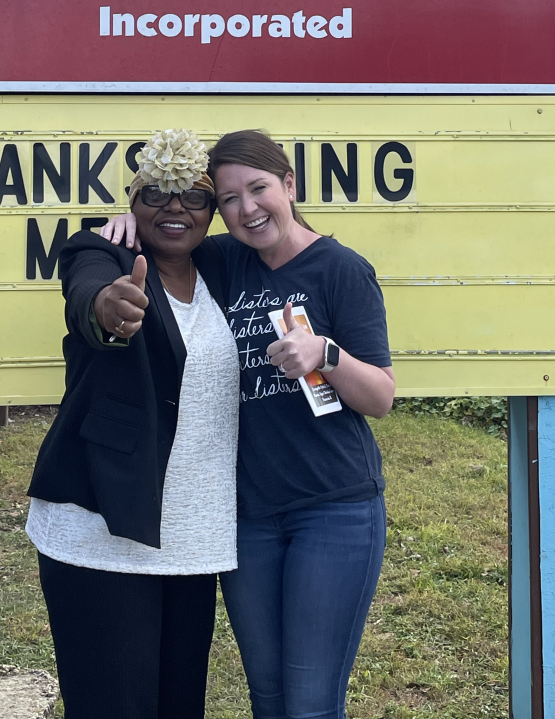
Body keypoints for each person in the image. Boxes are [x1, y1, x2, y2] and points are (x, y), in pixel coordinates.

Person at [103, 129, 395, 719]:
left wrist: (327, 354)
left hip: (332, 507)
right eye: (229, 198)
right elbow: (168, 235)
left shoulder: (341, 269)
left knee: (311, 702)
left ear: (289, 185)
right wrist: (128, 216)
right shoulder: (225, 262)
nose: (246, 209)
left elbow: (382, 397)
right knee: (267, 693)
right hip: (248, 516)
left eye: (258, 189)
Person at [25, 129, 240, 719]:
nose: (175, 207)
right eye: (156, 194)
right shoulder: (101, 252)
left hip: (196, 541)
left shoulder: (224, 268)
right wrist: (108, 309)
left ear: (213, 210)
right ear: (132, 200)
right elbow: (88, 294)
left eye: (193, 195)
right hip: (100, 532)